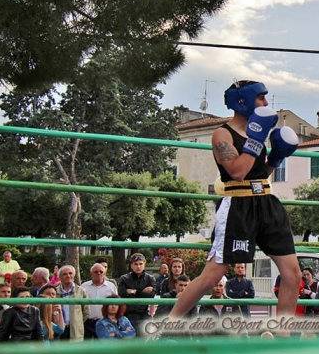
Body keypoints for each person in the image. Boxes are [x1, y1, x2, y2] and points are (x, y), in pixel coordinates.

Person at [169, 80, 302, 322]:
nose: (265, 103)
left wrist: (276, 157)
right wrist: (255, 140)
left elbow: (258, 175)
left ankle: (283, 335)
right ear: (244, 101)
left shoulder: (257, 135)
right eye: (261, 98)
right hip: (238, 205)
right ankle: (167, 324)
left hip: (266, 202)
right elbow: (238, 173)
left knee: (293, 274)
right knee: (211, 276)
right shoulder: (222, 134)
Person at [118, 253, 156, 330]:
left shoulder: (150, 278)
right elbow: (122, 294)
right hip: (127, 315)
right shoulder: (124, 278)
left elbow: (151, 295)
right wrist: (143, 293)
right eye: (135, 264)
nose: (138, 266)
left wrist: (134, 292)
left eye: (140, 264)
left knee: (142, 341)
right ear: (131, 265)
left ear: (144, 264)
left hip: (144, 315)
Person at [82, 263, 118, 338]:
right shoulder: (84, 286)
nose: (98, 273)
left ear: (104, 273)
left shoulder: (111, 287)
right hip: (87, 323)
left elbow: (116, 304)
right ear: (91, 274)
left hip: (104, 322)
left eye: (101, 272)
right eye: (96, 272)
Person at [56, 264, 90, 341]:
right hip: (59, 328)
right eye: (64, 274)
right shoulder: (55, 291)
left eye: (70, 273)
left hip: (75, 329)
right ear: (60, 277)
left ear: (74, 275)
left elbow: (86, 311)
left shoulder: (81, 291)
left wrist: (77, 321)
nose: (68, 276)